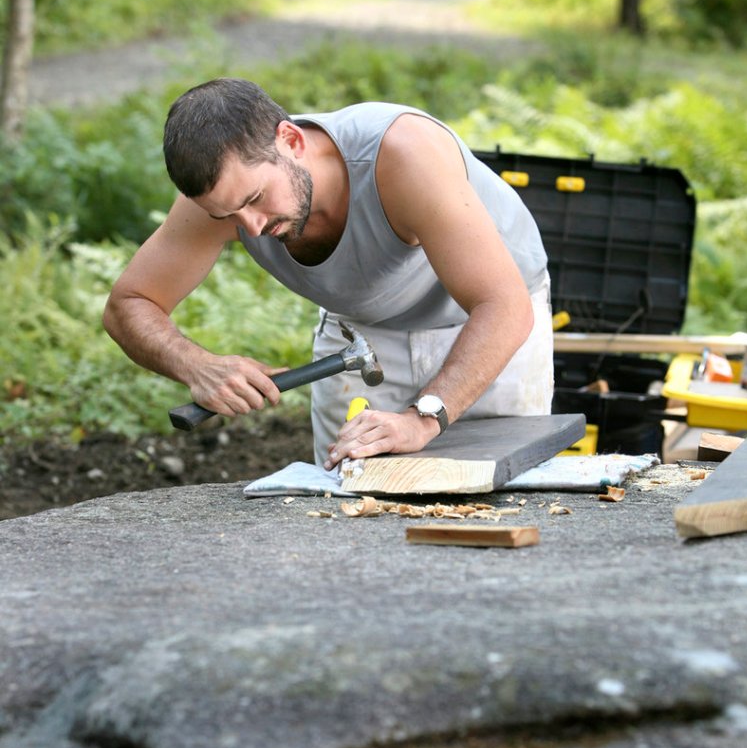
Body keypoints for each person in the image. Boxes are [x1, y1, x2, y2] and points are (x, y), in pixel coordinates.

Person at [103, 77, 554, 470]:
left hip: (486, 323)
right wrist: (196, 365)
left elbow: (503, 306)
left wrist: (422, 418)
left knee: (494, 498)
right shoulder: (222, 200)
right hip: (364, 334)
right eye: (230, 216)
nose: (253, 228)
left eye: (256, 198)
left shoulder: (402, 155)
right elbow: (130, 304)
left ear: (291, 141)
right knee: (347, 507)